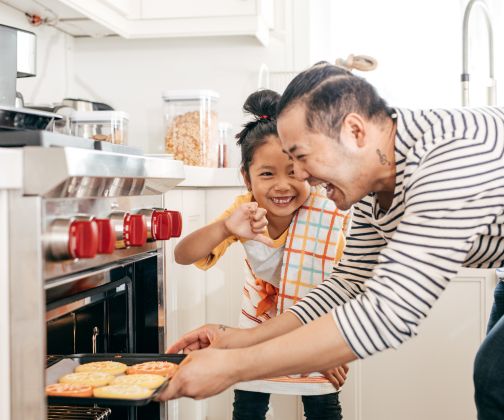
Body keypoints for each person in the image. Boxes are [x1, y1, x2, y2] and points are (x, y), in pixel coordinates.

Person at [161, 63, 504, 420]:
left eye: (302, 156)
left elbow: (388, 313)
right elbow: (348, 282)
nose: (302, 176)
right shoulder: (375, 182)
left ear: (354, 132)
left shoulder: (447, 162)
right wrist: (235, 337)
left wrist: (234, 366)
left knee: (495, 378)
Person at [172, 88, 350, 420]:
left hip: (317, 332)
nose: (282, 185)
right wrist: (226, 228)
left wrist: (334, 346)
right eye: (267, 174)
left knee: (323, 407)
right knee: (249, 408)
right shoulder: (245, 211)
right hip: (254, 331)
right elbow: (183, 255)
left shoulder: (327, 212)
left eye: (294, 172)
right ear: (246, 178)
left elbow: (343, 286)